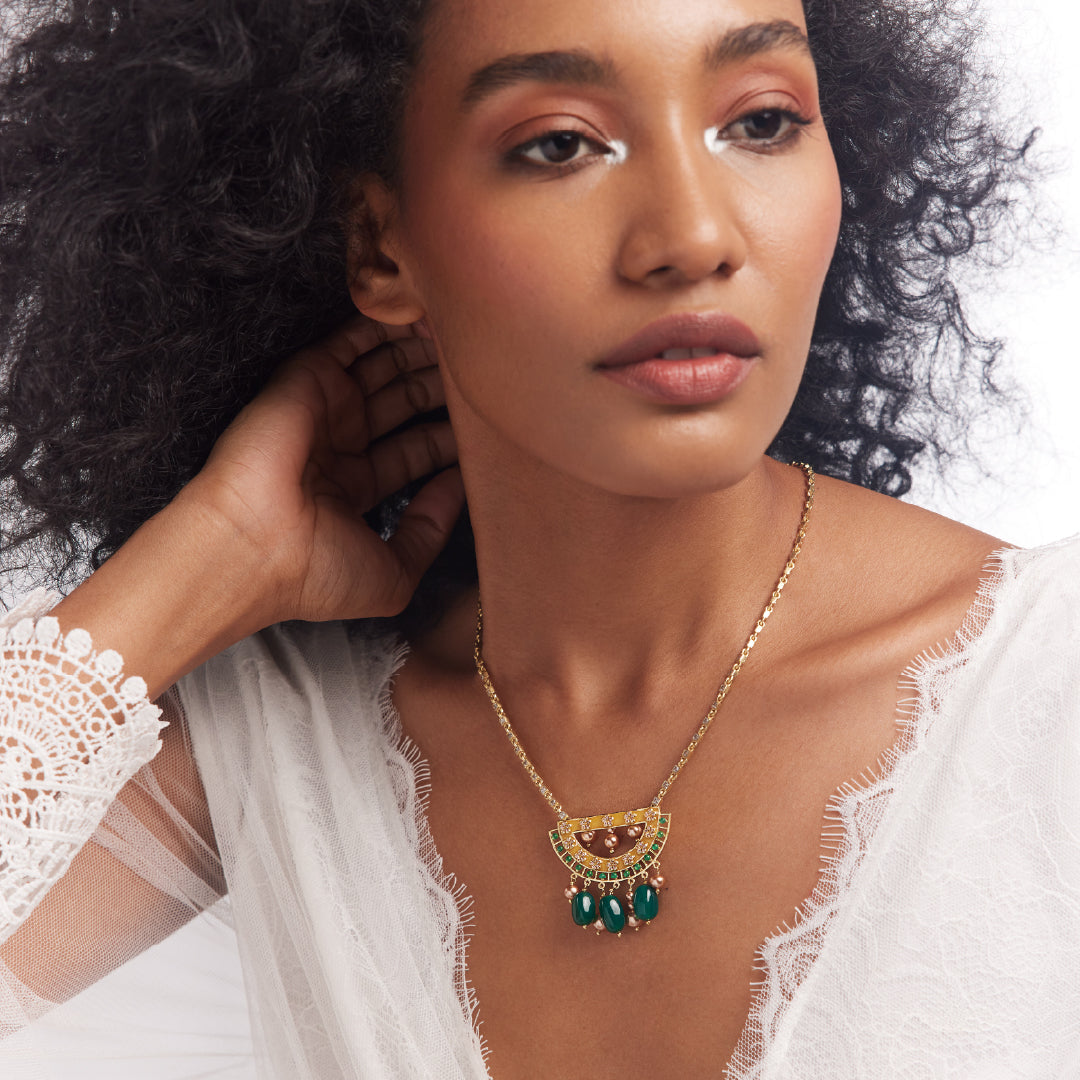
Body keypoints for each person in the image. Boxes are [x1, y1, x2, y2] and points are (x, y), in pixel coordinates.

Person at [0, 0, 1076, 1076]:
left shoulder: (1045, 688)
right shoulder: (274, 726)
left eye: (759, 123)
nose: (695, 237)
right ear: (380, 248)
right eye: (561, 144)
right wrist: (209, 555)